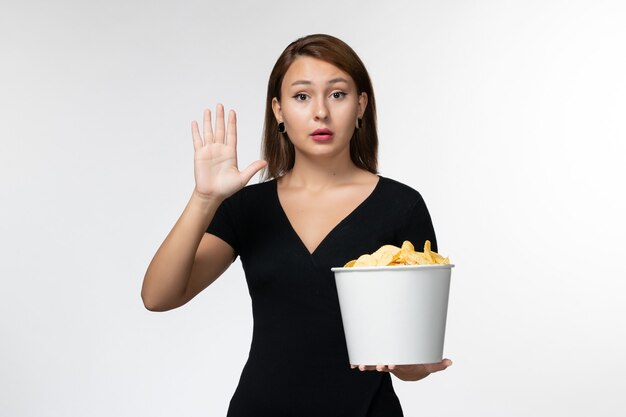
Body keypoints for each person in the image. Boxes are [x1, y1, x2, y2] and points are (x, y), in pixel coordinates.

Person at [142, 33, 452, 416]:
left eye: (337, 94)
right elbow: (158, 297)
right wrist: (205, 199)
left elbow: (413, 360)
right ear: (278, 110)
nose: (320, 112)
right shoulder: (247, 207)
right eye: (302, 96)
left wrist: (413, 366)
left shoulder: (401, 206)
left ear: (361, 105)